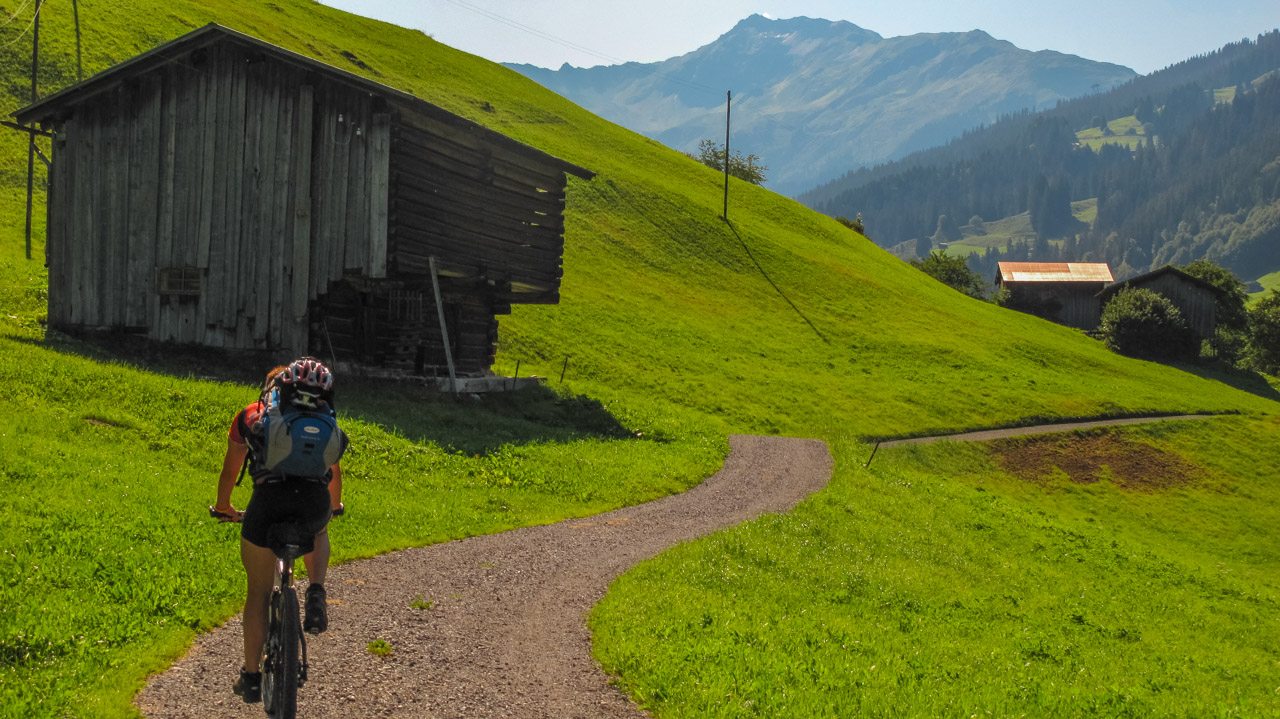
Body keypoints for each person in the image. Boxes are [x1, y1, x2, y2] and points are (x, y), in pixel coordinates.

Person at [212, 357, 348, 704]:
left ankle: (252, 678)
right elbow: (334, 473)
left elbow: (230, 471)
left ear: (273, 390)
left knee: (258, 592)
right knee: (319, 530)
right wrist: (333, 507)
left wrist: (224, 507)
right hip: (313, 504)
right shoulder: (324, 418)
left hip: (267, 505)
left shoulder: (251, 415)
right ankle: (316, 591)